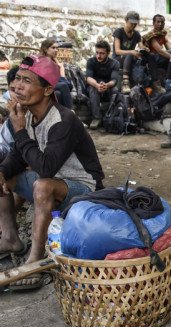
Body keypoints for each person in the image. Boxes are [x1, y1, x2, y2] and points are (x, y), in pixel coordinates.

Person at [0, 55, 104, 289]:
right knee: (4, 173)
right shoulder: (25, 114)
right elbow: (18, 155)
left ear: (47, 90)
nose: (17, 86)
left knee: (43, 184)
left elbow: (46, 168)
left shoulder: (64, 119)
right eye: (17, 79)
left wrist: (19, 131)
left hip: (84, 190)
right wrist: (3, 170)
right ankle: (9, 238)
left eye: (26, 80)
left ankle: (36, 259)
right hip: (51, 181)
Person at [85, 41, 121, 130]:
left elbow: (114, 80)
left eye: (102, 53)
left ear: (108, 53)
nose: (98, 56)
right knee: (93, 89)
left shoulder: (115, 63)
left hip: (107, 88)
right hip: (94, 87)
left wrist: (106, 85)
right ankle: (96, 118)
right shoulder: (91, 61)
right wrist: (97, 85)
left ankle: (110, 116)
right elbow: (88, 78)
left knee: (116, 91)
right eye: (97, 53)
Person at [112, 10, 143, 94]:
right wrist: (132, 52)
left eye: (135, 24)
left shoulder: (136, 34)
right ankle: (125, 82)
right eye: (131, 23)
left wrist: (144, 50)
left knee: (147, 56)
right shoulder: (119, 32)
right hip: (118, 59)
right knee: (130, 54)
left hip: (129, 59)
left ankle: (154, 82)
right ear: (126, 20)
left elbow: (141, 47)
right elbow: (117, 51)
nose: (133, 25)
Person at [38, 38, 73, 109]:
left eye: (57, 48)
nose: (56, 50)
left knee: (59, 93)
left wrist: (61, 70)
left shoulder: (54, 61)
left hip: (53, 86)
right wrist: (61, 71)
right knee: (64, 85)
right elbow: (48, 80)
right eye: (53, 48)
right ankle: (71, 111)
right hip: (43, 86)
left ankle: (64, 115)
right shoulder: (41, 61)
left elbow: (67, 86)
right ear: (45, 49)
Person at [141, 14, 171, 80]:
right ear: (153, 23)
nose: (160, 24)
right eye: (158, 22)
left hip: (159, 57)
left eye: (162, 22)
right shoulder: (151, 35)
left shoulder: (163, 33)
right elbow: (160, 51)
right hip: (152, 58)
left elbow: (168, 46)